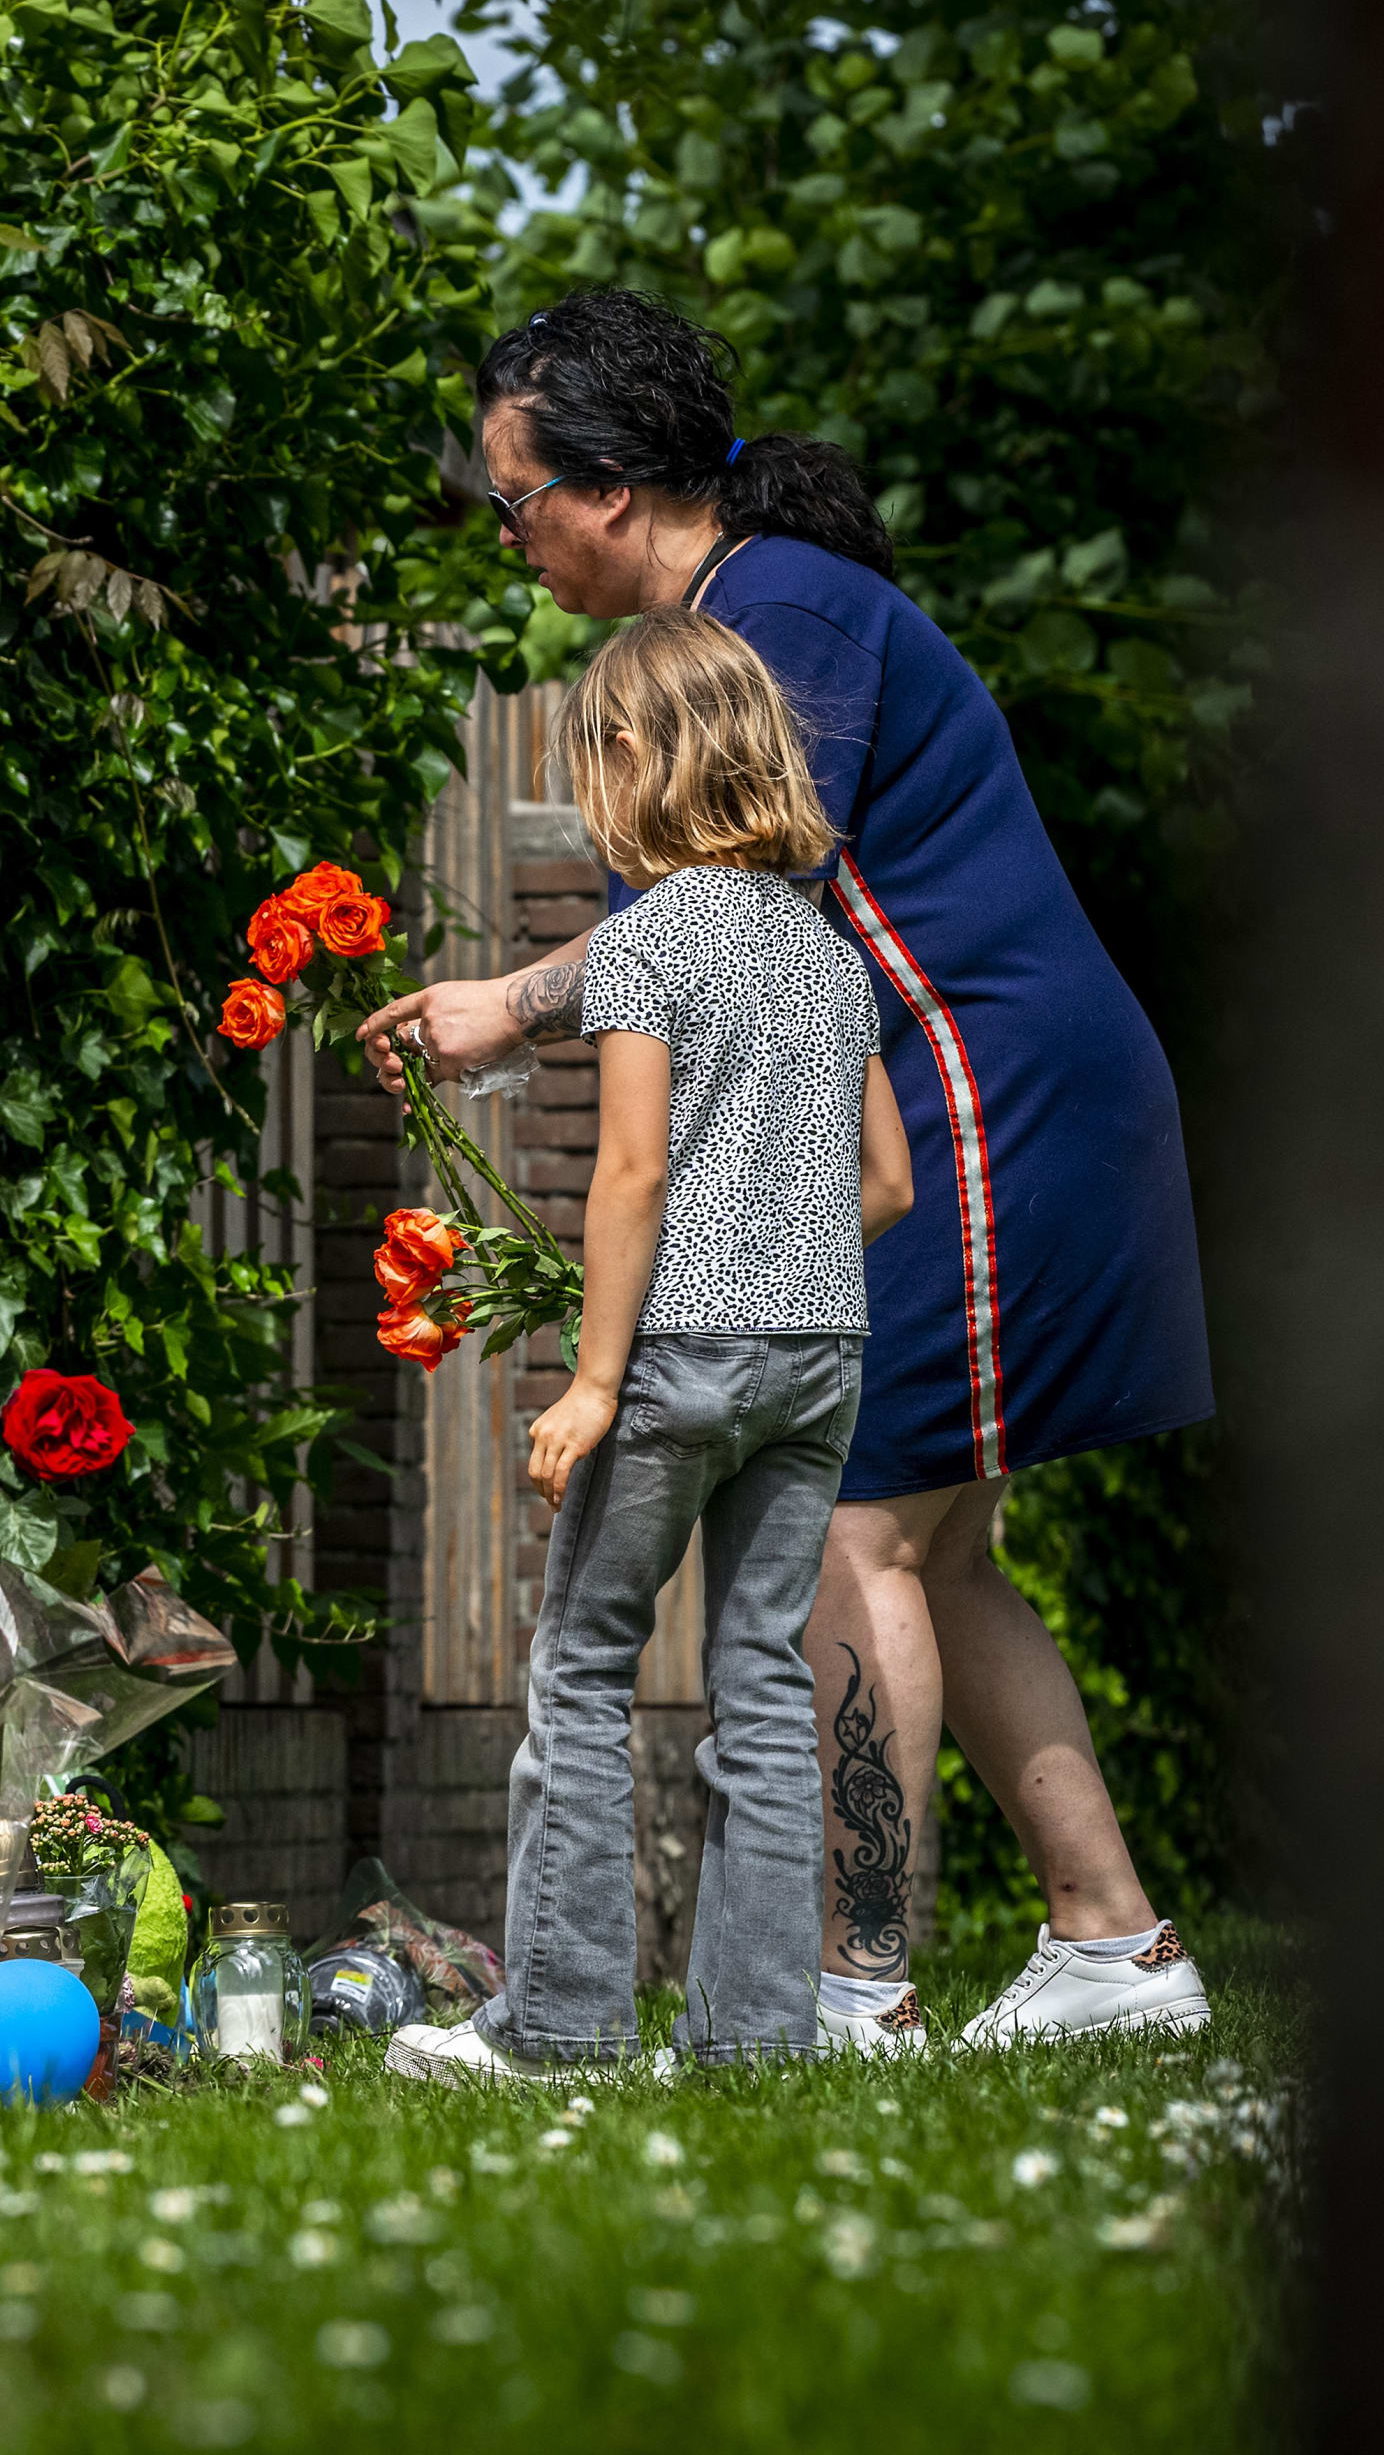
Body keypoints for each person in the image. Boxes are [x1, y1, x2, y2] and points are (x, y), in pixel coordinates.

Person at [361, 290, 1214, 2052]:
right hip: (997, 1091)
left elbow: (733, 907)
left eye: (513, 503)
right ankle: (1111, 1944)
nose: (506, 539)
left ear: (606, 489)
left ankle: (850, 1989)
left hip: (983, 1095)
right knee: (934, 1548)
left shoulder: (780, 611)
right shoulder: (761, 605)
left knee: (856, 1537)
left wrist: (510, 1010)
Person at [389, 608, 912, 2080]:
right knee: (759, 1676)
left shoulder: (646, 943)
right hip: (821, 1354)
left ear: (633, 756)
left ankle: (561, 2028)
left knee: (584, 1669)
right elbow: (889, 1182)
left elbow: (629, 1173)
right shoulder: (825, 951)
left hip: (679, 1354)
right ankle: (752, 2041)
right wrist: (784, 1271)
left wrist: (601, 1379)